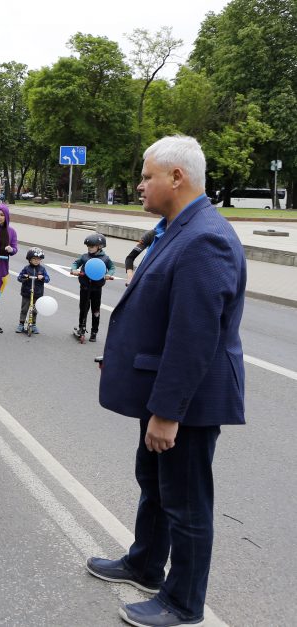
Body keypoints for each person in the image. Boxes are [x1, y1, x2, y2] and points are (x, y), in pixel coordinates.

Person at [89, 135, 246, 627]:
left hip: (187, 402)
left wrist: (167, 412)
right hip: (163, 390)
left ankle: (183, 602)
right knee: (154, 484)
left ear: (176, 177)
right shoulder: (176, 228)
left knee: (186, 502)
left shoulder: (205, 238)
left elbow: (194, 336)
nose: (139, 185)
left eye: (147, 176)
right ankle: (145, 564)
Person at [70, 233, 115, 342]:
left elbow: (112, 267)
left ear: (100, 246)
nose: (89, 248)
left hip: (97, 288)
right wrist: (74, 269)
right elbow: (76, 263)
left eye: (92, 246)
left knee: (96, 310)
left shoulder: (105, 258)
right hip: (85, 286)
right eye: (88, 247)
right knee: (83, 308)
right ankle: (81, 327)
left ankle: (94, 331)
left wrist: (109, 274)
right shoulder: (85, 256)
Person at [15, 248, 50, 334]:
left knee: (35, 310)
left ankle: (33, 324)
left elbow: (48, 279)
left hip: (37, 293)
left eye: (38, 259)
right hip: (26, 293)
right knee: (24, 309)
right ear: (29, 259)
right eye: (34, 259)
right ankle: (21, 324)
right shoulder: (26, 268)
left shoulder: (42, 269)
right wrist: (24, 277)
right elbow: (19, 278)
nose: (36, 261)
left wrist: (43, 278)